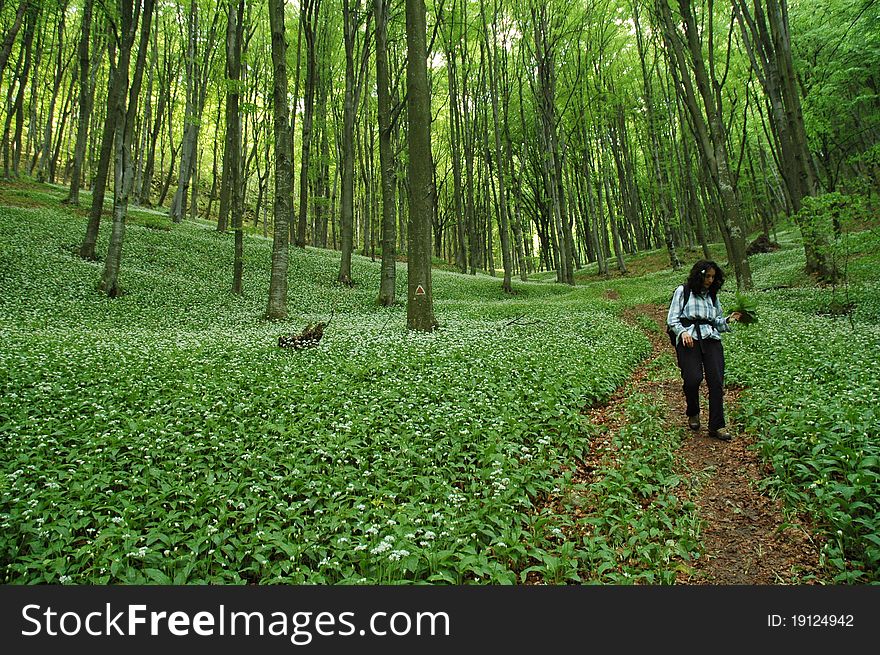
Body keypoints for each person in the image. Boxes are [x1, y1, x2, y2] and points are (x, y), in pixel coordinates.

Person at [667, 260, 742, 441]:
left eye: (713, 277)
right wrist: (683, 332)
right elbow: (672, 319)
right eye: (707, 276)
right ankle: (693, 411)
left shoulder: (712, 296)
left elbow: (716, 321)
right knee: (693, 379)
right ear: (698, 274)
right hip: (689, 340)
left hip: (711, 339)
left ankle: (717, 425)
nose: (710, 280)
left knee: (716, 381)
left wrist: (729, 320)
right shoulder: (682, 292)